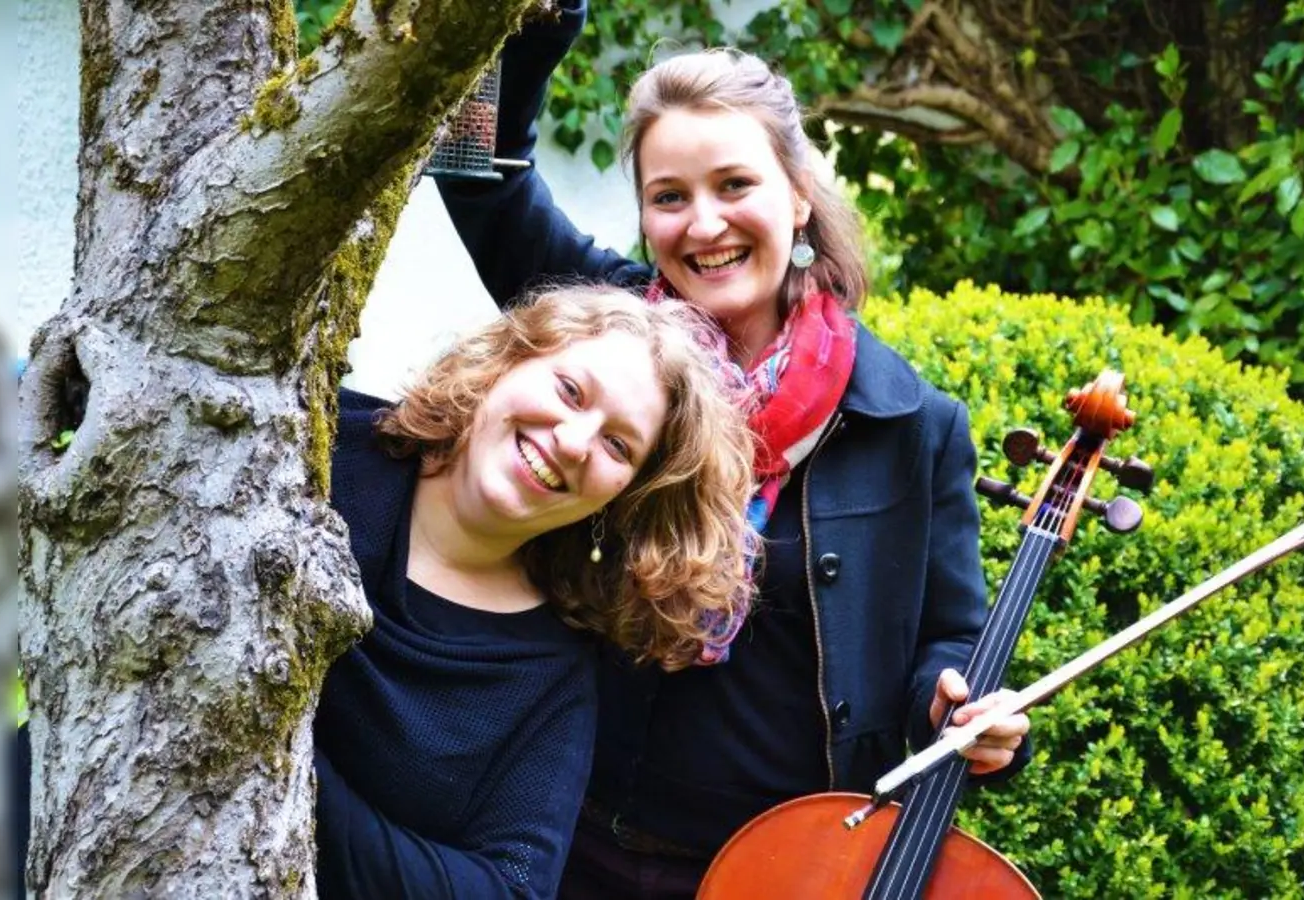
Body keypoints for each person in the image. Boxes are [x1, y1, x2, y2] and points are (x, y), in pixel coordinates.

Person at [437, 4, 1034, 896]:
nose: (704, 224)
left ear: (798, 195)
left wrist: (960, 707)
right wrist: (532, 26)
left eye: (734, 186)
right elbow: (467, 167)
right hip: (559, 847)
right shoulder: (606, 341)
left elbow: (941, 640)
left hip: (782, 873)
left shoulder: (909, 422)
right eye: (669, 197)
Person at [16, 286, 758, 900]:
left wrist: (287, 774)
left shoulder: (552, 676)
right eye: (569, 390)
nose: (572, 439)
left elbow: (508, 888)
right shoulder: (311, 445)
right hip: (29, 835)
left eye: (617, 445)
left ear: (621, 498)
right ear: (509, 361)